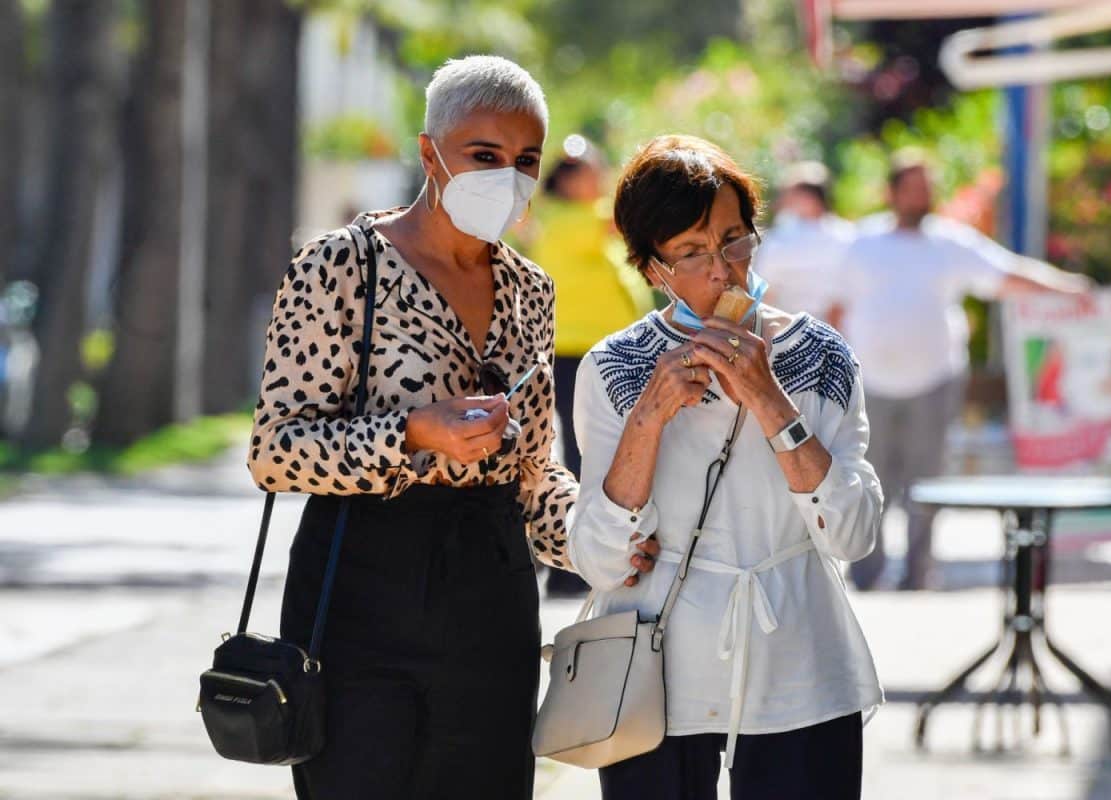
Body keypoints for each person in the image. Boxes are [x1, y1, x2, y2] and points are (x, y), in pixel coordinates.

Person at [247, 56, 590, 799]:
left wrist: (606, 541)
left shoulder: (532, 290)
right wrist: (411, 434)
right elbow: (275, 452)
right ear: (430, 152)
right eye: (485, 156)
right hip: (360, 586)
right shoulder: (341, 268)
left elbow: (536, 474)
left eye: (526, 159)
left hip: (491, 594)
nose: (509, 175)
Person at [569, 134, 884, 799]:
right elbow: (598, 558)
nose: (723, 270)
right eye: (691, 253)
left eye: (735, 240)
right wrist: (649, 419)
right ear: (652, 269)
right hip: (655, 677)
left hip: (799, 668)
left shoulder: (821, 356)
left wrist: (770, 400)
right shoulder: (615, 367)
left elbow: (852, 534)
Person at [837, 150, 1091, 592]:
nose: (921, 195)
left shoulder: (949, 242)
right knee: (868, 481)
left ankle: (917, 575)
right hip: (870, 383)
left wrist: (1068, 289)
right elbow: (832, 307)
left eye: (926, 186)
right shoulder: (861, 244)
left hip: (933, 382)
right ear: (893, 192)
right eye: (912, 186)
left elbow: (1007, 274)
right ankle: (864, 573)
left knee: (926, 483)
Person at [519, 136, 654, 595]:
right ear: (566, 178)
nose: (595, 175)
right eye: (586, 168)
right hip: (577, 353)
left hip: (601, 354)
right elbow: (632, 213)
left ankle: (580, 557)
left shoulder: (582, 220)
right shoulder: (567, 220)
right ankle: (568, 561)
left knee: (598, 452)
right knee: (583, 457)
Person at [755, 161, 854, 326]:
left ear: (808, 197)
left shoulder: (780, 239)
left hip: (796, 329)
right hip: (800, 327)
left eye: (789, 193)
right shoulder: (848, 235)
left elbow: (766, 292)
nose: (783, 200)